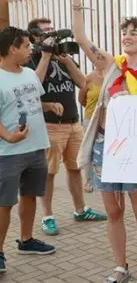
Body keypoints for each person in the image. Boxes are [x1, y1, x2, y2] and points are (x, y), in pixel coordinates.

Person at [69, 0, 137, 283]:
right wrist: (76, 1)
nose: (127, 36)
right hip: (104, 147)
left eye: (135, 33)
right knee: (113, 212)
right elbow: (81, 38)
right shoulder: (112, 65)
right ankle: (120, 266)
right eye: (124, 32)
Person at [26, 18, 106, 235]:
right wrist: (44, 55)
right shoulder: (31, 59)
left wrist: (67, 61)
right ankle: (47, 216)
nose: (52, 35)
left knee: (74, 168)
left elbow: (83, 83)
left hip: (73, 123)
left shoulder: (64, 56)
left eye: (53, 30)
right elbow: (32, 87)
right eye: (45, 32)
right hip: (49, 126)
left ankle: (80, 210)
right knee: (49, 173)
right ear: (35, 37)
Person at [0, 26, 57, 274]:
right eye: (26, 46)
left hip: (36, 147)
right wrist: (8, 136)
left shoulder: (29, 74)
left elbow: (31, 102)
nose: (30, 49)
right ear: (12, 49)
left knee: (30, 195)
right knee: (4, 204)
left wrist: (50, 105)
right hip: (8, 152)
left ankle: (26, 240)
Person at [78, 64, 104, 193]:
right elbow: (81, 99)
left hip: (106, 120)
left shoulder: (110, 77)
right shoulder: (88, 78)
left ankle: (105, 178)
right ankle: (88, 180)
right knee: (89, 149)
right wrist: (92, 109)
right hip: (90, 118)